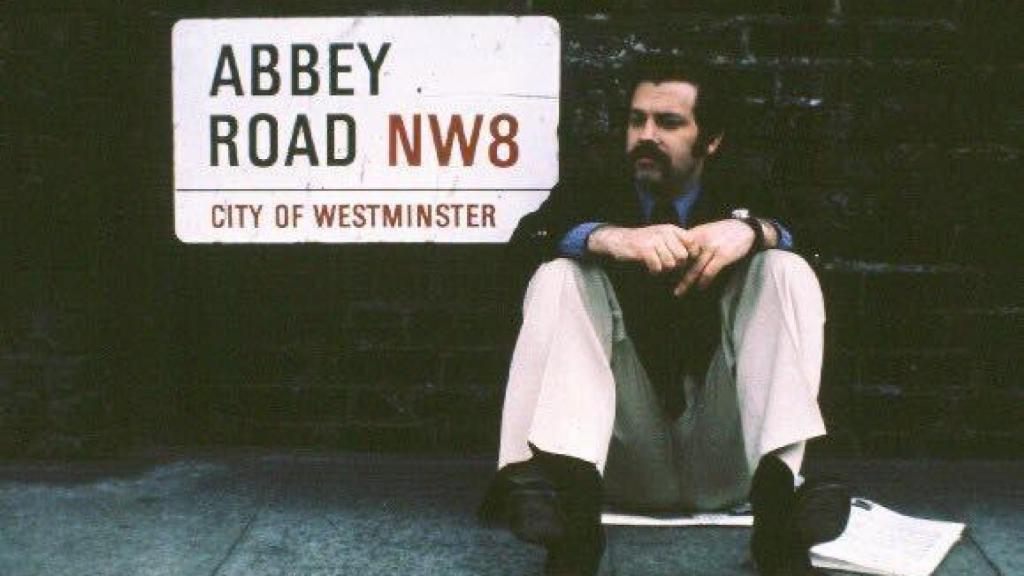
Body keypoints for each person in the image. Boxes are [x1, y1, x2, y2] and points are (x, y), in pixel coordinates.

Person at [479, 56, 850, 576]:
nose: (646, 136)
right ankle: (567, 516)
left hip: (729, 457)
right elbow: (518, 255)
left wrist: (755, 232)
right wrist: (606, 238)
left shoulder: (744, 188)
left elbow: (827, 264)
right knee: (558, 274)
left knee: (785, 270)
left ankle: (781, 512)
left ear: (711, 140)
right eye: (637, 121)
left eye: (668, 123)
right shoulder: (595, 189)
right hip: (622, 457)